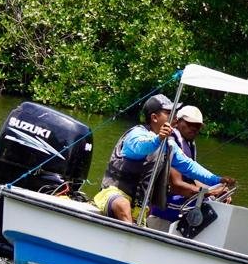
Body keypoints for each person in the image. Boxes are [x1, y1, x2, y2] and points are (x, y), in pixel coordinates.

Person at [93, 94, 230, 224]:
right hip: (112, 194)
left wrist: (217, 180)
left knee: (143, 211)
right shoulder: (136, 133)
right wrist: (158, 139)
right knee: (122, 204)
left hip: (139, 204)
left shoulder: (169, 144)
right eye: (169, 113)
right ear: (154, 117)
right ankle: (128, 236)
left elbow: (189, 167)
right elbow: (141, 147)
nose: (175, 117)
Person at [147, 105, 236, 231]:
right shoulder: (171, 142)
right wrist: (209, 193)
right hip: (164, 206)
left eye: (197, 126)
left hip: (180, 201)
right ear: (178, 122)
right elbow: (176, 185)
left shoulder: (189, 144)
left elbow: (193, 178)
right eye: (190, 124)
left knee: (218, 199)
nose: (194, 128)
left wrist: (219, 188)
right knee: (209, 200)